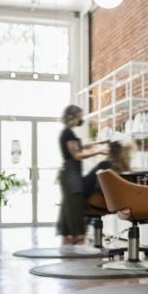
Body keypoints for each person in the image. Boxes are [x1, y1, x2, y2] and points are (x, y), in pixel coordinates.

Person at [58, 105, 108, 253]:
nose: (82, 119)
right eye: (80, 116)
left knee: (69, 207)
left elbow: (79, 146)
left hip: (71, 173)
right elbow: (77, 155)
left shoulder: (68, 133)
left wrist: (96, 144)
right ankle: (79, 243)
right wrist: (98, 151)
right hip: (71, 174)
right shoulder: (68, 134)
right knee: (75, 206)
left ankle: (69, 242)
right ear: (73, 117)